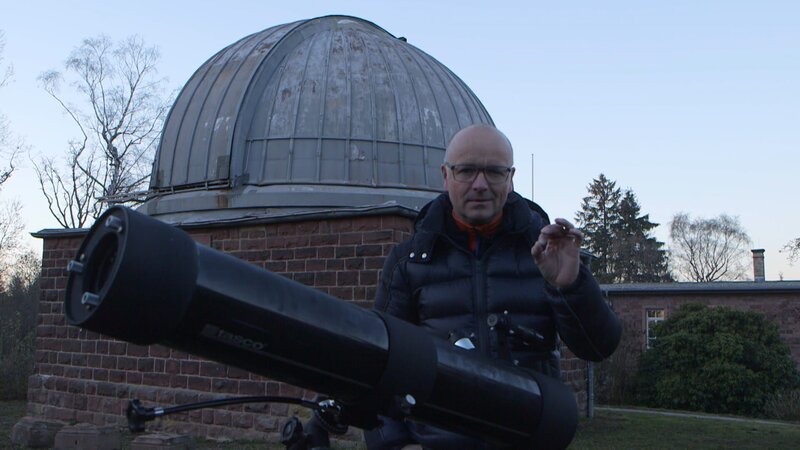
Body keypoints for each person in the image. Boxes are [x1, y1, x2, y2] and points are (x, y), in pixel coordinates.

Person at [364, 124, 622, 450]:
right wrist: (393, 445)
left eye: (494, 172)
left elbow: (599, 347)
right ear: (446, 176)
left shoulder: (546, 253)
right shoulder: (409, 262)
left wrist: (570, 286)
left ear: (511, 177)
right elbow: (380, 363)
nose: (480, 184)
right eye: (467, 171)